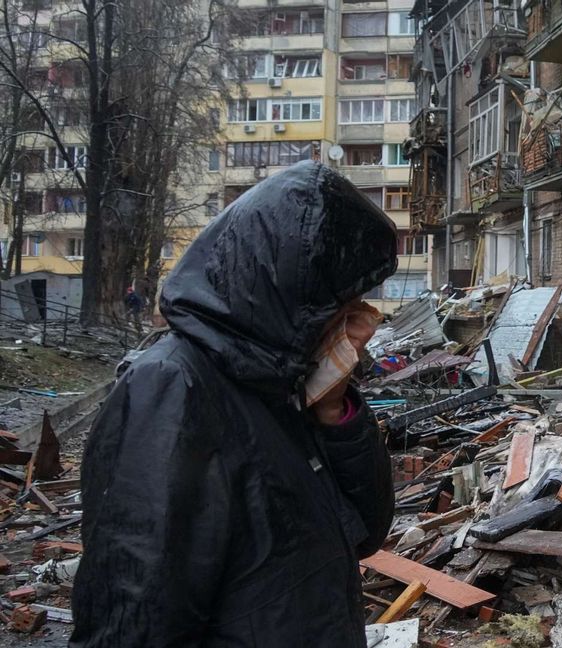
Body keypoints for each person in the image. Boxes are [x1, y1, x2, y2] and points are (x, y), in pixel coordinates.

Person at [70, 161, 399, 647]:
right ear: (289, 294)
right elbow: (133, 623)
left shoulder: (281, 382)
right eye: (346, 308)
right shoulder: (172, 389)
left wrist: (336, 415)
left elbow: (364, 532)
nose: (363, 328)